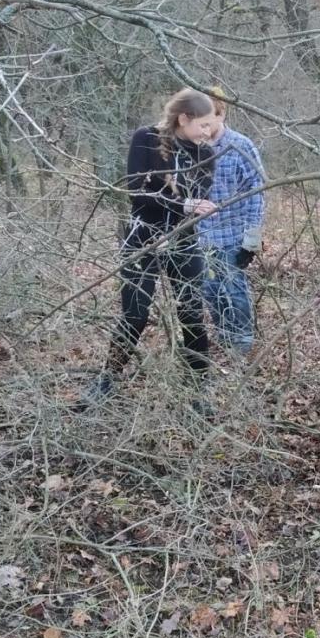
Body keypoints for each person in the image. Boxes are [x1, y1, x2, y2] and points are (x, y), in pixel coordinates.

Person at [79, 88, 218, 407]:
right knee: (135, 314)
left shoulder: (206, 154)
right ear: (184, 118)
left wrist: (187, 206)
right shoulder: (146, 139)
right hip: (142, 238)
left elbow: (197, 198)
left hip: (184, 241)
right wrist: (183, 204)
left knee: (192, 314)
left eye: (211, 125)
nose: (208, 132)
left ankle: (198, 390)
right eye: (203, 124)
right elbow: (138, 192)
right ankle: (107, 380)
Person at [198, 88, 265, 355]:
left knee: (235, 288)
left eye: (207, 118)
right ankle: (224, 336)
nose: (202, 126)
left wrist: (251, 241)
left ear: (221, 113)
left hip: (234, 235)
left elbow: (257, 195)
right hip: (203, 237)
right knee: (210, 289)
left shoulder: (241, 146)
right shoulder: (193, 148)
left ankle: (244, 341)